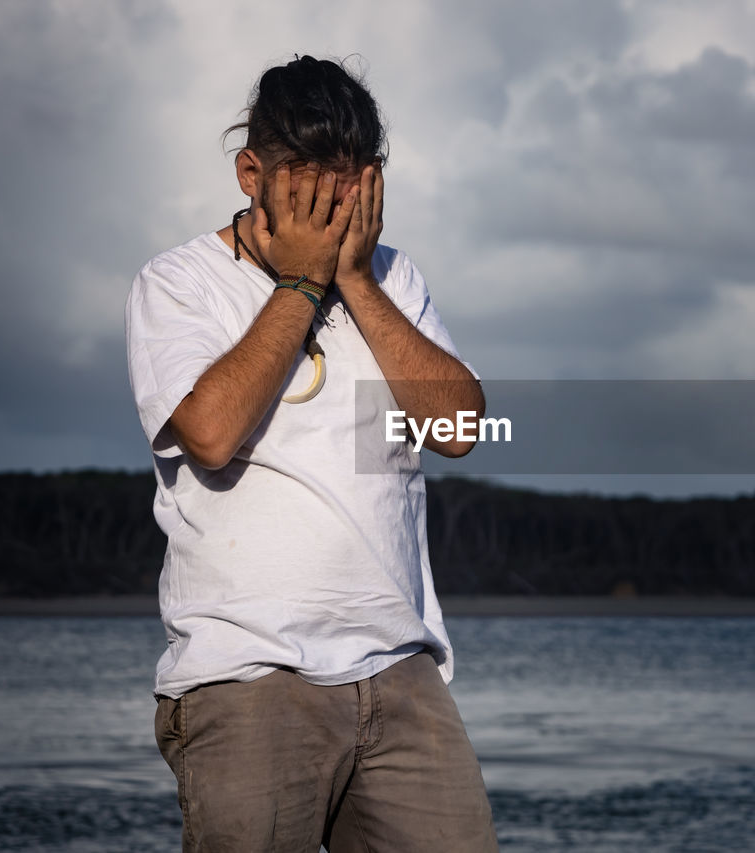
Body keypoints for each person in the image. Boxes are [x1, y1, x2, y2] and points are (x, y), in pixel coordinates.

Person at [124, 55, 498, 852]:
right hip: (245, 675)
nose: (333, 207)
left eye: (351, 186)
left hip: (400, 670)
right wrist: (299, 285)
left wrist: (356, 281)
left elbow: (460, 426)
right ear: (251, 173)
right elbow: (212, 433)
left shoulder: (396, 278)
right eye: (310, 187)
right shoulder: (180, 283)